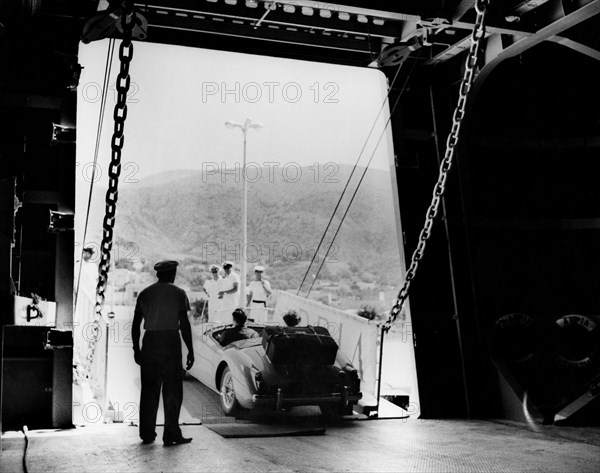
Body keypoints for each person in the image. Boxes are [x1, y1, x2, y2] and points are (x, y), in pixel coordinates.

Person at [131, 260, 195, 446]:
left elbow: (135, 325)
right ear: (172, 273)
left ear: (158, 274)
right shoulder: (179, 293)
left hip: (150, 342)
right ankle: (171, 433)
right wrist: (190, 349)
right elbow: (184, 324)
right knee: (172, 390)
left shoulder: (145, 294)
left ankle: (147, 433)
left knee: (149, 389)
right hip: (170, 342)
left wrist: (136, 349)